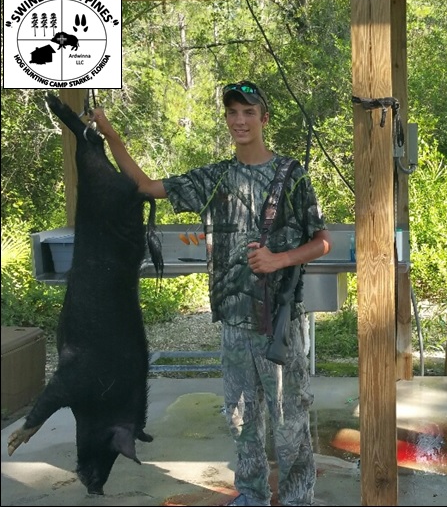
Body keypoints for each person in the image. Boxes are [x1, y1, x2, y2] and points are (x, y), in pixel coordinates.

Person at [91, 80, 332, 507]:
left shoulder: (292, 176)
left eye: (248, 112)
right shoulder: (215, 176)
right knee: (241, 419)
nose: (240, 120)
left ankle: (297, 500)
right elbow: (146, 186)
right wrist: (110, 134)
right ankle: (252, 496)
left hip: (279, 323)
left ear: (264, 118)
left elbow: (322, 242)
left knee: (289, 421)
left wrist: (278, 259)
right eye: (233, 113)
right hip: (234, 322)